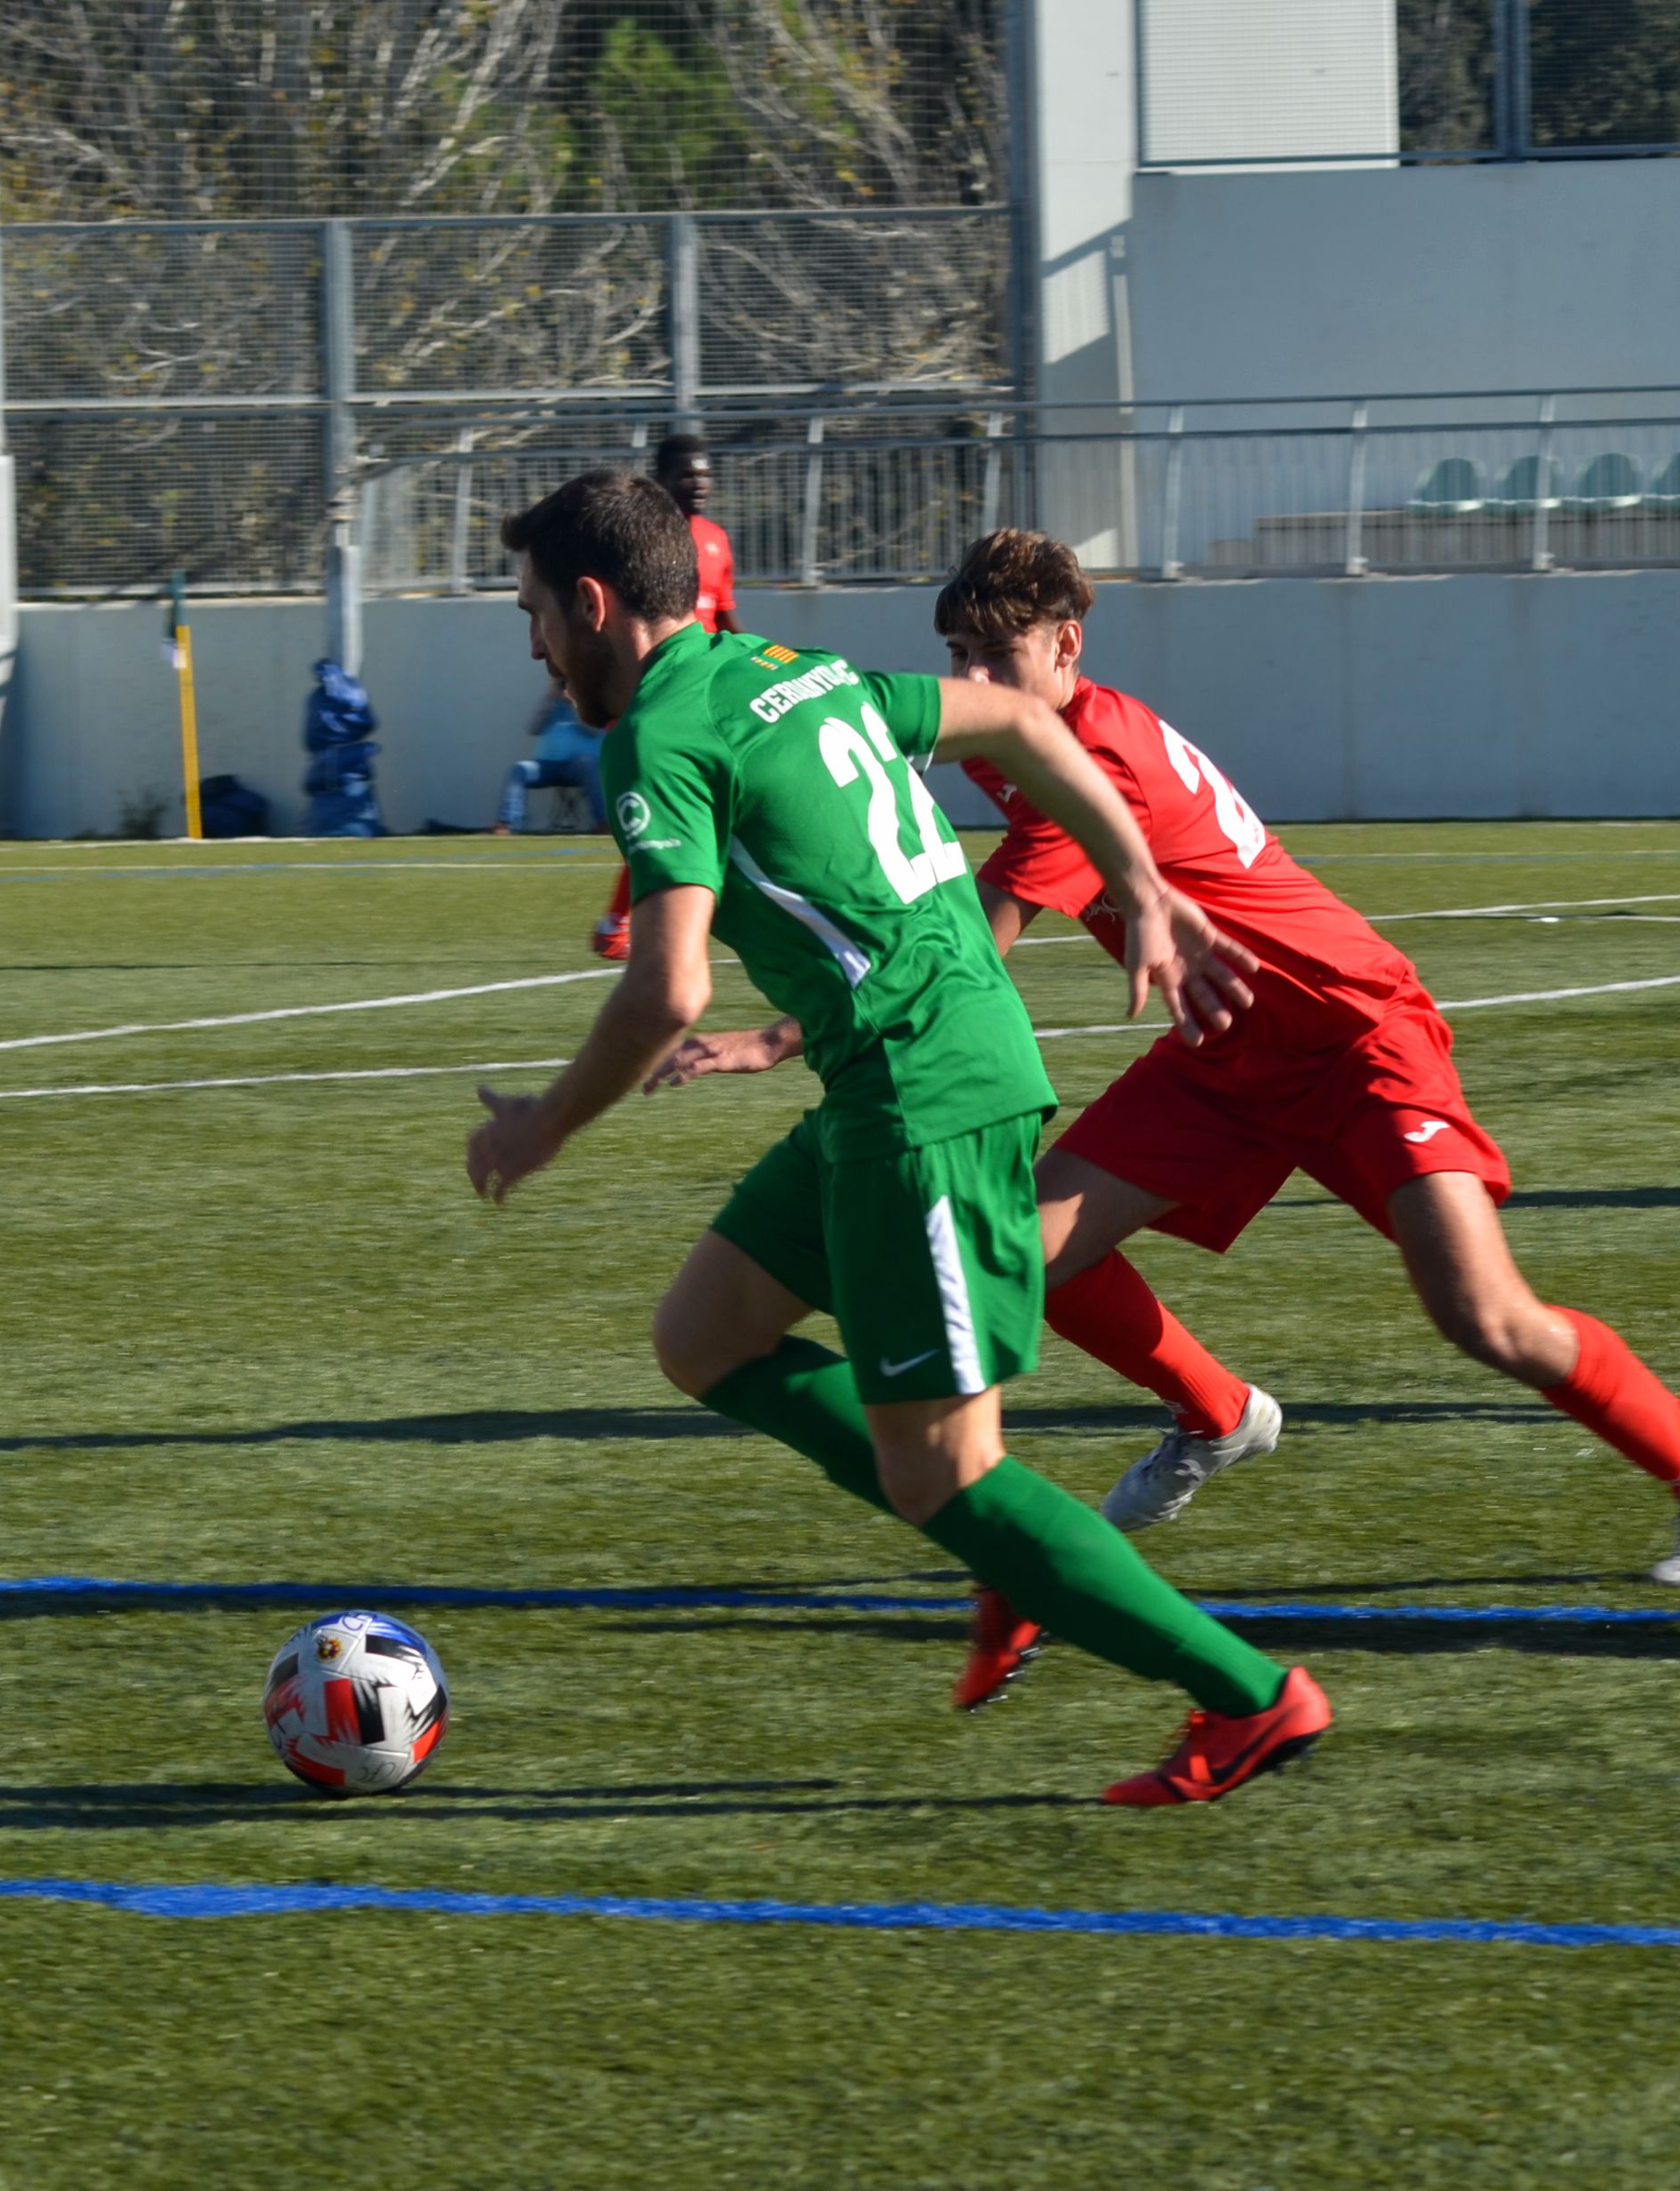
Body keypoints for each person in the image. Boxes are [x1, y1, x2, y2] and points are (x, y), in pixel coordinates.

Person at [654, 530, 1680, 1707]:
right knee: (1025, 1256)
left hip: (1351, 1039)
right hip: (1218, 1057)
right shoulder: (1024, 734)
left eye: (997, 655)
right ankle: (1219, 1415)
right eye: (956, 655)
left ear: (1066, 647)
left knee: (1486, 1317)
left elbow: (979, 925)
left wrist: (780, 1037)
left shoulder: (1087, 745)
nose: (974, 681)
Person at [466, 469, 1329, 1806]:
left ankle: (1252, 1697)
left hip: (923, 1103)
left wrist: (545, 1129)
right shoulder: (797, 670)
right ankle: (1009, 1548)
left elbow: (668, 987)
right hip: (887, 1083)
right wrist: (1143, 886)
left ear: (591, 604)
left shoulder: (655, 741)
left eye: (531, 613)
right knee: (702, 1336)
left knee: (943, 1475)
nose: (531, 643)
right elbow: (1035, 731)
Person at [592, 435, 743, 960]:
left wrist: (754, 656)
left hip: (707, 691)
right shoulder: (636, 540)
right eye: (686, 475)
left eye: (704, 474)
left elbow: (723, 614)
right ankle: (622, 922)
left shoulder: (716, 540)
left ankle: (669, 921)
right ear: (659, 478)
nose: (698, 483)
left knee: (709, 809)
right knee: (661, 808)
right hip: (655, 690)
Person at [493, 678, 603, 833]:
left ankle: (603, 822)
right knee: (519, 770)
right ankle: (507, 823)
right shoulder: (551, 705)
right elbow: (533, 728)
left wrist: (574, 703)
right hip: (546, 765)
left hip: (577, 766)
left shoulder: (588, 703)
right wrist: (549, 698)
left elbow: (594, 730)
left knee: (590, 764)